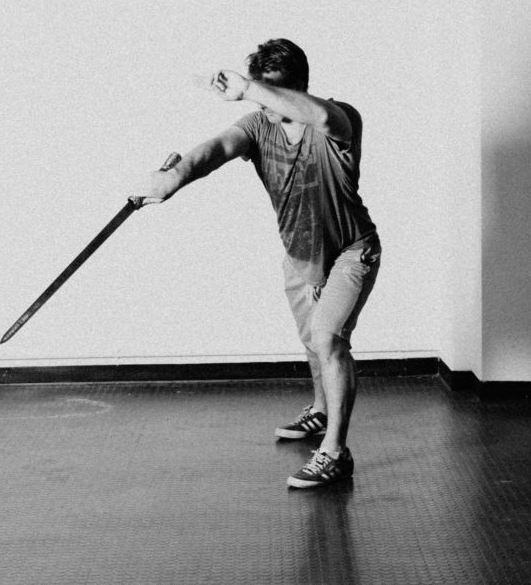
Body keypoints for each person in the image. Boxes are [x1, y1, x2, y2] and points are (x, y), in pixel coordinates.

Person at [132, 39, 380, 489]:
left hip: (352, 251)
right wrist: (175, 177)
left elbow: (322, 117)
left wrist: (248, 88)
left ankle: (335, 453)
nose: (265, 102)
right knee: (312, 342)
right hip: (300, 256)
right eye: (259, 89)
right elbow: (216, 149)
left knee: (329, 338)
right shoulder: (258, 125)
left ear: (300, 86)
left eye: (273, 90)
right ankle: (321, 411)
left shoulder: (339, 119)